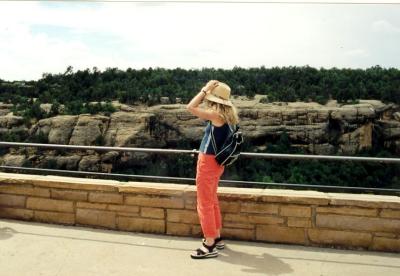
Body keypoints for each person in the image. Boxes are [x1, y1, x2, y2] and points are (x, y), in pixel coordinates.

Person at [186, 80, 240, 259]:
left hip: (208, 162)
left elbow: (191, 107)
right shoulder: (229, 116)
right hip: (217, 164)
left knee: (204, 203)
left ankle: (209, 244)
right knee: (212, 200)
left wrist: (204, 90)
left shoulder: (215, 115)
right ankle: (216, 236)